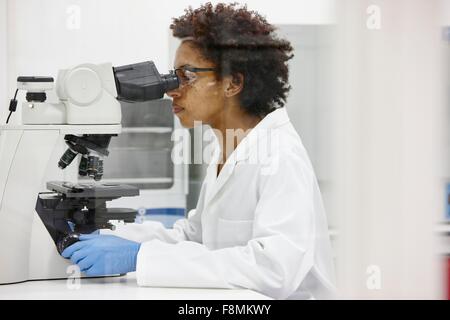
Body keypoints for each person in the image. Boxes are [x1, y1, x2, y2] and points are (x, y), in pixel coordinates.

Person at [62, 2, 336, 299]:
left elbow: (274, 269)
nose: (171, 90)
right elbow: (195, 236)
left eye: (187, 77)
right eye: (173, 76)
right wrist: (112, 237)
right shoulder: (228, 148)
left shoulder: (280, 156)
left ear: (232, 83)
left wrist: (141, 257)